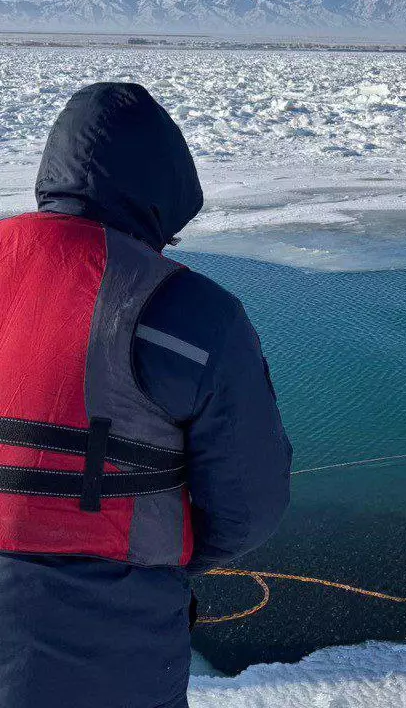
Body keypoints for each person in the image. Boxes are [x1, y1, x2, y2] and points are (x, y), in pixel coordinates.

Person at [0, 83, 292, 708]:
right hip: (105, 652)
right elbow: (248, 505)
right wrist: (162, 568)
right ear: (163, 192)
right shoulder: (192, 313)